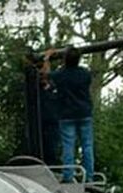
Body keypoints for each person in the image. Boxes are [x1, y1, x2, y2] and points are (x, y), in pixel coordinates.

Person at [41, 47, 93, 182]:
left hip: (66, 115)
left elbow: (46, 75)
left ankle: (68, 176)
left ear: (64, 59)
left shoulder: (60, 75)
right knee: (87, 146)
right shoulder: (85, 74)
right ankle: (90, 177)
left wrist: (47, 58)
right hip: (85, 113)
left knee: (68, 146)